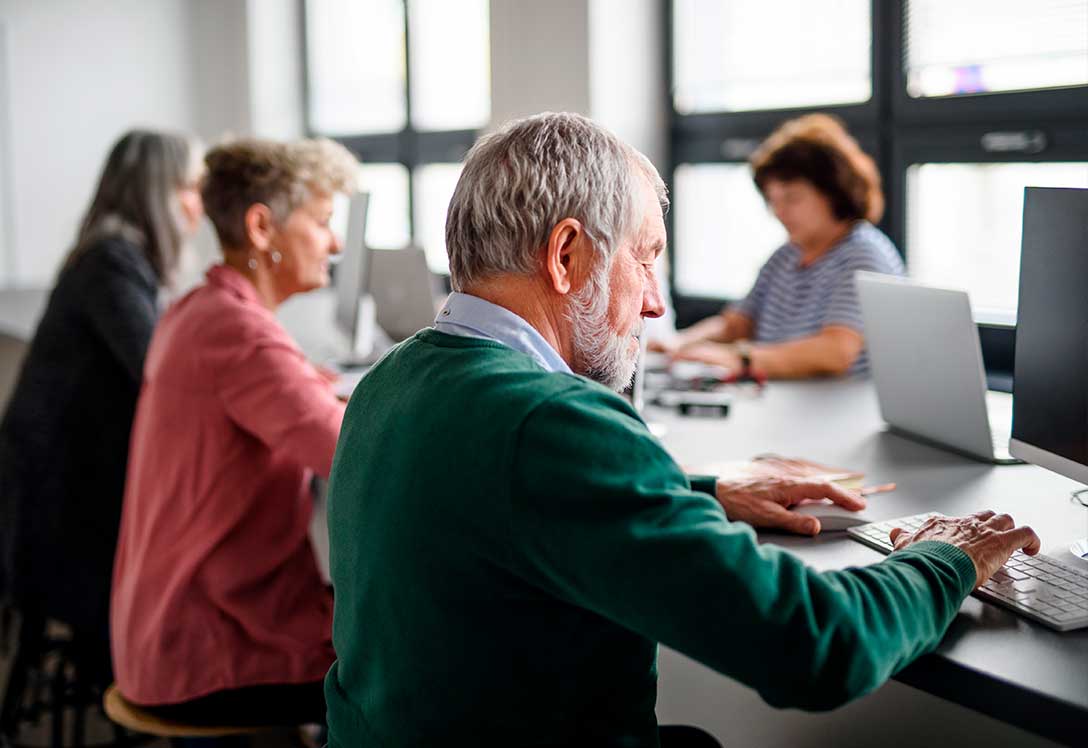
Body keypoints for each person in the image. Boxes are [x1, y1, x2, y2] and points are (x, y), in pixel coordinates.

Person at [322, 113, 1040, 748]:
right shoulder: (554, 423)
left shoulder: (394, 379)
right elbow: (816, 646)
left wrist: (701, 490)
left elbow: (491, 499)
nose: (657, 305)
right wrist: (946, 557)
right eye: (646, 257)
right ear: (566, 256)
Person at [110, 137, 358, 726]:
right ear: (261, 227)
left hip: (162, 633)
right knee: (412, 657)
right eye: (323, 222)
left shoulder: (198, 310)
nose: (337, 243)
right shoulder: (239, 335)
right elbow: (360, 452)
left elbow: (288, 383)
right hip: (205, 649)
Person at [0, 130, 203, 679]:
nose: (198, 204)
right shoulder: (111, 261)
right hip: (61, 509)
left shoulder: (112, 255)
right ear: (157, 191)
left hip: (65, 489)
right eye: (190, 187)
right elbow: (156, 367)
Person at [650, 113, 903, 379]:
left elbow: (835, 351)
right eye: (773, 200)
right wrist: (677, 344)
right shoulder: (786, 255)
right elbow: (735, 324)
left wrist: (741, 359)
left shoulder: (864, 253)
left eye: (792, 198)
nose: (778, 212)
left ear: (834, 192)